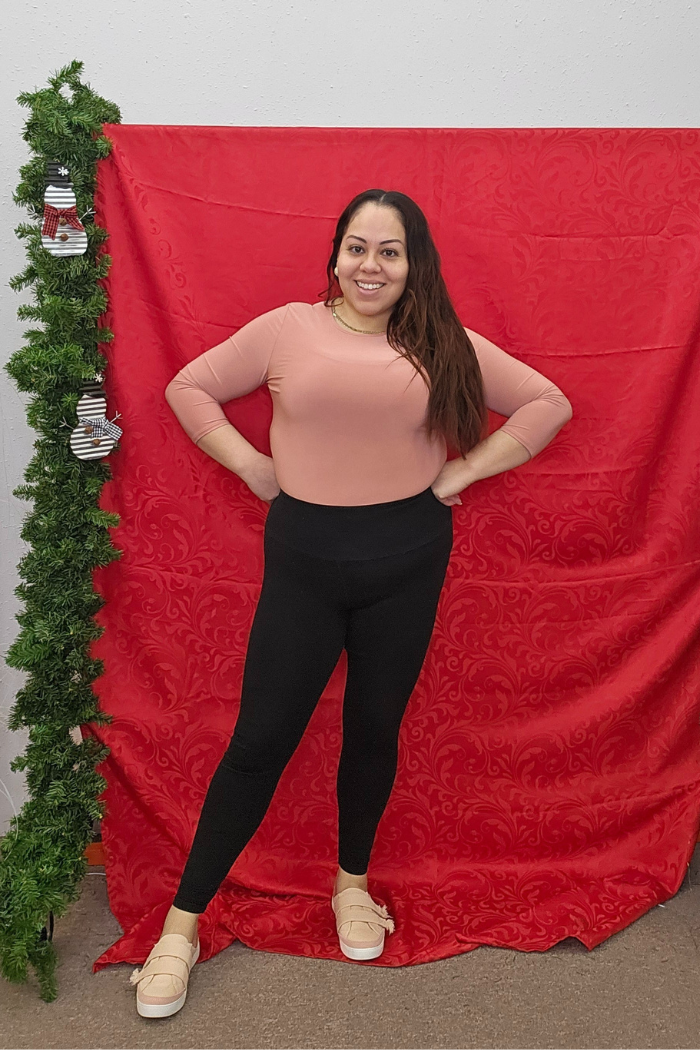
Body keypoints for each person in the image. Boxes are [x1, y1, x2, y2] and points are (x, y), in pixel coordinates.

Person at [130, 189, 573, 1017]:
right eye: (359, 248)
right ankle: (180, 928)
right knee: (260, 741)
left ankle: (352, 886)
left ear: (414, 265)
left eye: (391, 251)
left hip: (408, 560)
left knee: (374, 728)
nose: (372, 266)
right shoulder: (288, 329)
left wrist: (462, 474)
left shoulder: (441, 343)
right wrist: (254, 468)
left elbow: (551, 403)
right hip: (304, 562)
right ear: (335, 254)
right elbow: (190, 387)